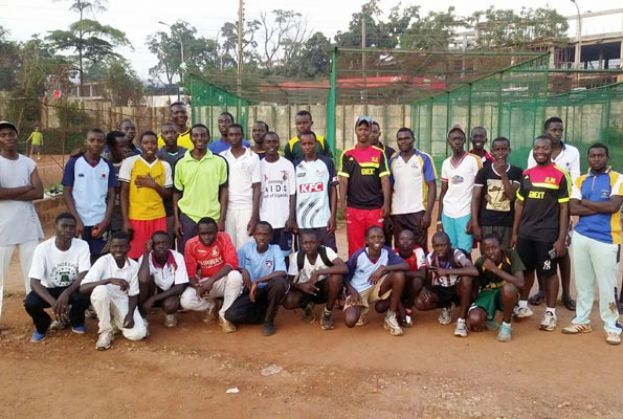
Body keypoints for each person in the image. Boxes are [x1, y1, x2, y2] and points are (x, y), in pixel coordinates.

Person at [563, 143, 623, 345]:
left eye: (600, 155)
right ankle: (582, 320)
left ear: (607, 157)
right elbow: (572, 208)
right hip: (581, 236)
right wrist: (600, 207)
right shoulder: (580, 180)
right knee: (583, 283)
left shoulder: (617, 178)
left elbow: (613, 207)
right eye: (593, 156)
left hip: (606, 238)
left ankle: (612, 326)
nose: (597, 159)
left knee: (607, 286)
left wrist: (586, 203)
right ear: (587, 158)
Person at [512, 135, 570, 331]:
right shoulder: (527, 174)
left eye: (544, 148)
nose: (540, 152)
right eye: (537, 148)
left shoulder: (560, 174)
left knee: (549, 272)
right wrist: (515, 232)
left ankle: (550, 313)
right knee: (526, 270)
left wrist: (561, 238)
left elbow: (564, 208)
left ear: (551, 149)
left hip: (547, 234)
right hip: (526, 234)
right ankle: (522, 306)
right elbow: (520, 204)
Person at [527, 117, 580, 311]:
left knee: (562, 252)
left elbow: (574, 180)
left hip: (562, 209)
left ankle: (566, 293)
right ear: (545, 130)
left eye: (560, 130)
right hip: (541, 213)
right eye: (554, 129)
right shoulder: (536, 151)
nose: (557, 133)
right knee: (542, 253)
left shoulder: (572, 152)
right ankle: (542, 290)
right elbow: (531, 178)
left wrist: (569, 210)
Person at [0, 120, 44, 323]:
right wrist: (25, 188)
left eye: (11, 134)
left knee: (32, 275)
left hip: (28, 226)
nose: (8, 138)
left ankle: (35, 317)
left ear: (17, 135)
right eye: (3, 135)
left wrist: (9, 193)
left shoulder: (28, 162)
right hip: (3, 228)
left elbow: (39, 192)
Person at [24, 213, 91, 342]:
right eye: (64, 226)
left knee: (85, 293)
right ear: (55, 226)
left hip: (72, 288)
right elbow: (34, 282)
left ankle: (76, 320)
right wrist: (53, 302)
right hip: (50, 289)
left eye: (72, 227)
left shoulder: (82, 245)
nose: (68, 230)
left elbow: (84, 274)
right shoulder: (42, 249)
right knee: (30, 303)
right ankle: (42, 325)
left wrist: (66, 292)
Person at [80, 231, 147, 350]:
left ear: (129, 247)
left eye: (122, 246)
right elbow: (83, 287)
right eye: (115, 246)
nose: (118, 250)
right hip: (104, 299)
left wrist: (130, 315)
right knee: (101, 290)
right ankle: (105, 331)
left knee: (138, 334)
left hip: (122, 301)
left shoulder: (134, 266)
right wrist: (109, 280)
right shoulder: (103, 261)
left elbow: (133, 294)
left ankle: (115, 323)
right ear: (110, 247)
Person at [224, 222, 289, 336]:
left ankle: (269, 321)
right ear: (253, 235)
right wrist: (242, 270)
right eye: (258, 234)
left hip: (268, 289)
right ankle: (262, 314)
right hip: (251, 291)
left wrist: (258, 281)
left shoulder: (275, 249)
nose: (262, 237)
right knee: (230, 315)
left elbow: (281, 271)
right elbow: (234, 264)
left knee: (279, 283)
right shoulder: (246, 248)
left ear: (271, 236)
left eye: (265, 234)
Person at [179, 217, 242, 333]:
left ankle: (224, 315)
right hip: (205, 283)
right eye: (203, 234)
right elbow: (190, 273)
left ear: (217, 232)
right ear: (198, 233)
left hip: (223, 280)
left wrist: (212, 280)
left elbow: (232, 263)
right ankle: (212, 306)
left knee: (235, 276)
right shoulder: (191, 244)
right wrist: (198, 287)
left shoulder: (224, 237)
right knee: (186, 301)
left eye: (211, 233)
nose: (207, 237)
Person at [62, 128, 117, 261]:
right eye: (92, 140)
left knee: (100, 260)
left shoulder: (107, 165)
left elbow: (112, 196)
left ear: (104, 145)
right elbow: (67, 193)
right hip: (79, 222)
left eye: (100, 141)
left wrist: (106, 221)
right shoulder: (74, 163)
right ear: (86, 142)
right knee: (78, 259)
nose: (96, 144)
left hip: (100, 222)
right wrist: (76, 220)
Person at [338, 116, 390, 257]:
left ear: (370, 131)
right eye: (360, 129)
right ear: (355, 131)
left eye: (366, 129)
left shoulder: (379, 154)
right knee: (355, 246)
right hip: (354, 209)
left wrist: (386, 203)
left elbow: (385, 179)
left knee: (376, 243)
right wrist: (342, 202)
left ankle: (377, 274)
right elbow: (343, 181)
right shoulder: (348, 154)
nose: (363, 132)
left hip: (375, 208)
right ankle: (355, 275)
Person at [342, 226, 408, 336]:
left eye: (380, 237)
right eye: (372, 237)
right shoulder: (359, 255)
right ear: (366, 241)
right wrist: (351, 290)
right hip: (358, 292)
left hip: (377, 287)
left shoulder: (387, 252)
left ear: (384, 239)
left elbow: (405, 266)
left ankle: (390, 317)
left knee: (399, 275)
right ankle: (360, 310)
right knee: (350, 321)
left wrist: (384, 268)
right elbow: (344, 274)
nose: (377, 240)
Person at [173, 124, 228, 252]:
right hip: (188, 217)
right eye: (195, 135)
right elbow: (176, 193)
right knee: (187, 255)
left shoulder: (219, 161)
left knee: (212, 257)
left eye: (203, 135)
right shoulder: (181, 162)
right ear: (191, 138)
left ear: (208, 137)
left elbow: (224, 191)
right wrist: (177, 220)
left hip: (212, 217)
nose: (199, 138)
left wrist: (222, 219)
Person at [119, 131, 173, 259]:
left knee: (158, 255)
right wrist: (126, 221)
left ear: (157, 145)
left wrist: (153, 184)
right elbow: (123, 193)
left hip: (158, 217)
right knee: (136, 255)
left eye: (153, 143)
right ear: (140, 145)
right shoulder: (130, 162)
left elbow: (168, 194)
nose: (149, 146)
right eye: (145, 143)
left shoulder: (164, 165)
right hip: (136, 217)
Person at [414, 232, 478, 337]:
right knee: (420, 302)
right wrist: (424, 288)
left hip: (458, 288)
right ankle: (446, 306)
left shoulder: (457, 254)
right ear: (433, 246)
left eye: (443, 245)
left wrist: (447, 271)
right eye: (436, 246)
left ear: (449, 244)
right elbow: (428, 278)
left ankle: (461, 321)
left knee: (467, 279)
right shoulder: (430, 258)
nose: (440, 249)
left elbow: (474, 271)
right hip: (442, 289)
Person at [283, 229, 348, 330]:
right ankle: (307, 306)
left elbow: (343, 268)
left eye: (312, 242)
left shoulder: (326, 251)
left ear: (318, 242)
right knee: (289, 301)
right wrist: (301, 286)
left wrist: (318, 273)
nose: (308, 246)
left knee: (336, 278)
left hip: (324, 288)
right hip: (307, 289)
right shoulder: (297, 257)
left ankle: (327, 312)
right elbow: (288, 281)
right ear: (300, 243)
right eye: (305, 243)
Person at [467, 233, 525, 342]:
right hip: (488, 293)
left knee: (508, 288)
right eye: (487, 249)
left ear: (501, 246)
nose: (490, 252)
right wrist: (472, 309)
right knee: (475, 319)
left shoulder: (511, 255)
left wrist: (495, 270)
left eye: (494, 247)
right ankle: (488, 317)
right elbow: (475, 286)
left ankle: (506, 325)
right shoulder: (481, 261)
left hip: (505, 293)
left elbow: (520, 283)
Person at [389, 127, 436, 252]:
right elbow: (388, 188)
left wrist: (428, 213)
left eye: (406, 138)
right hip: (397, 213)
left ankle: (422, 271)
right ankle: (402, 272)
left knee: (420, 249)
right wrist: (388, 212)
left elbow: (432, 186)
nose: (403, 141)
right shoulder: (392, 160)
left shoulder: (424, 158)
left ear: (413, 139)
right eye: (400, 139)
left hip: (417, 212)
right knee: (400, 249)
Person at [470, 137, 522, 249]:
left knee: (504, 257)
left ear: (509, 151)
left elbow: (512, 196)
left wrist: (503, 174)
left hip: (507, 224)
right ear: (492, 152)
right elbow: (476, 198)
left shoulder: (517, 172)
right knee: (487, 256)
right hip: (487, 223)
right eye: (497, 149)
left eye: (504, 149)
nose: (500, 152)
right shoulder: (484, 172)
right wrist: (475, 223)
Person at [438, 124, 482, 252]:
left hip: (465, 213)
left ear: (464, 140)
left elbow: (480, 191)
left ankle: (465, 273)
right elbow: (443, 191)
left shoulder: (474, 160)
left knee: (464, 251)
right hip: (447, 213)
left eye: (460, 138)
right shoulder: (446, 163)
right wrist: (439, 219)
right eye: (453, 139)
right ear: (448, 141)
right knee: (450, 250)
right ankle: (453, 273)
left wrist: (474, 218)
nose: (457, 141)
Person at [293, 131, 339, 251]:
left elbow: (333, 190)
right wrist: (293, 219)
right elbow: (292, 195)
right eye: (304, 144)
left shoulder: (327, 162)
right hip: (303, 222)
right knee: (303, 257)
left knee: (330, 255)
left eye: (310, 143)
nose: (307, 147)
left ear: (316, 144)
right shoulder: (295, 165)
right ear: (300, 145)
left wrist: (333, 216)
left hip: (323, 220)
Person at [221, 124, 261, 249]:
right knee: (230, 247)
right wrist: (221, 217)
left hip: (246, 208)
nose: (234, 137)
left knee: (246, 247)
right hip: (229, 209)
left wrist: (254, 216)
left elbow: (257, 187)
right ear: (227, 137)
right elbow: (222, 187)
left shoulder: (252, 157)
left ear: (243, 136)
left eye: (237, 134)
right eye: (231, 135)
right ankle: (233, 270)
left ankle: (245, 270)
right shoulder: (222, 157)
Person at [137, 231, 188, 328]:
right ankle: (142, 316)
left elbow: (179, 287)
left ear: (169, 244)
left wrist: (154, 299)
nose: (161, 246)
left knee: (171, 304)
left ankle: (170, 314)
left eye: (164, 243)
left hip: (168, 294)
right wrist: (147, 253)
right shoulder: (145, 257)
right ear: (152, 245)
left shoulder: (178, 257)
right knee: (144, 281)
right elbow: (143, 280)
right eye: (157, 243)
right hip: (150, 293)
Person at [259, 132, 295, 259]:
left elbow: (292, 194)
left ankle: (283, 279)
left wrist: (291, 217)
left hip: (283, 221)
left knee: (284, 256)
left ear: (279, 143)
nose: (271, 145)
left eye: (274, 142)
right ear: (263, 144)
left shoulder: (287, 165)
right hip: (265, 221)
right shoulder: (259, 166)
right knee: (265, 255)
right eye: (268, 142)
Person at [156, 122, 187, 247]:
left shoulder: (187, 153)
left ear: (178, 134)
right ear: (161, 136)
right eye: (166, 133)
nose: (170, 135)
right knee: (167, 241)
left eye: (173, 132)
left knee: (183, 241)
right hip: (165, 206)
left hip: (185, 204)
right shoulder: (157, 155)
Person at [370, 121, 397, 246]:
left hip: (386, 202)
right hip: (369, 203)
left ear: (379, 133)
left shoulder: (390, 153)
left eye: (374, 132)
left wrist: (388, 206)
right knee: (370, 237)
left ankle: (387, 263)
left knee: (385, 236)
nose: (371, 135)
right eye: (369, 131)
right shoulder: (359, 152)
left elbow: (392, 181)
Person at [393, 229, 427, 327]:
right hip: (398, 288)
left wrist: (403, 274)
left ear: (414, 241)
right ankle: (400, 309)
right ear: (397, 241)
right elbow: (392, 280)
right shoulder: (394, 254)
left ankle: (408, 307)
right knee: (381, 307)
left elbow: (422, 274)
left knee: (417, 281)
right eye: (402, 239)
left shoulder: (418, 251)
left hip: (412, 287)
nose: (405, 242)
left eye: (409, 239)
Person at [103, 130, 131, 234]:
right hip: (106, 212)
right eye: (122, 147)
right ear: (110, 147)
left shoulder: (131, 161)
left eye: (127, 146)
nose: (126, 150)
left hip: (125, 212)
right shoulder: (102, 162)